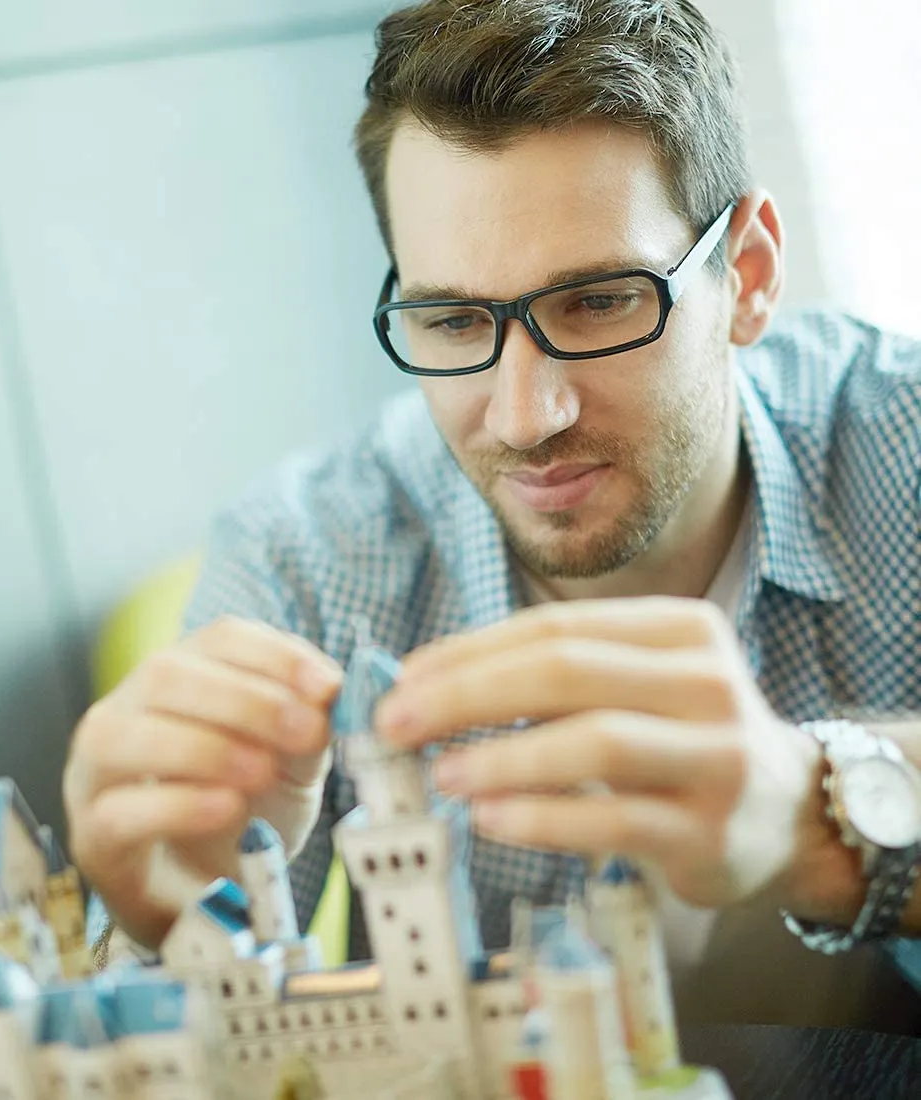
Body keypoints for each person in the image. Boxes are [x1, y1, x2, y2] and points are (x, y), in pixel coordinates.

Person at [62, 0, 921, 1030]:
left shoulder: (898, 443)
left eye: (599, 302)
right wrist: (157, 931)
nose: (524, 416)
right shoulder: (310, 553)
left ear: (745, 274)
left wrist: (821, 815)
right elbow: (194, 1008)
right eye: (452, 319)